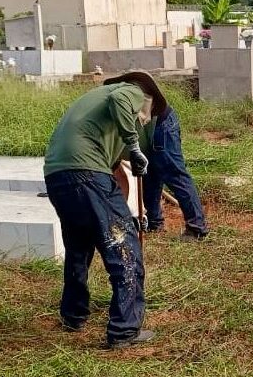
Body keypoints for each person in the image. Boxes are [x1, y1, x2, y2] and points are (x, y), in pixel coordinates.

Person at [42, 72, 167, 349]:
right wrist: (134, 146)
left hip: (58, 176)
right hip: (87, 173)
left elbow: (113, 178)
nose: (144, 119)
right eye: (146, 116)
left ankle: (73, 315)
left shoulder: (93, 106)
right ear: (146, 98)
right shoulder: (131, 91)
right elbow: (122, 101)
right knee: (125, 249)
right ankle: (124, 330)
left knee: (78, 246)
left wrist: (122, 213)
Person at [105, 74, 209, 242]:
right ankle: (154, 224)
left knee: (173, 173)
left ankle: (197, 228)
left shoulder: (122, 100)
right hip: (145, 133)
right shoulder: (101, 135)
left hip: (160, 124)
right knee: (150, 176)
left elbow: (117, 178)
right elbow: (118, 176)